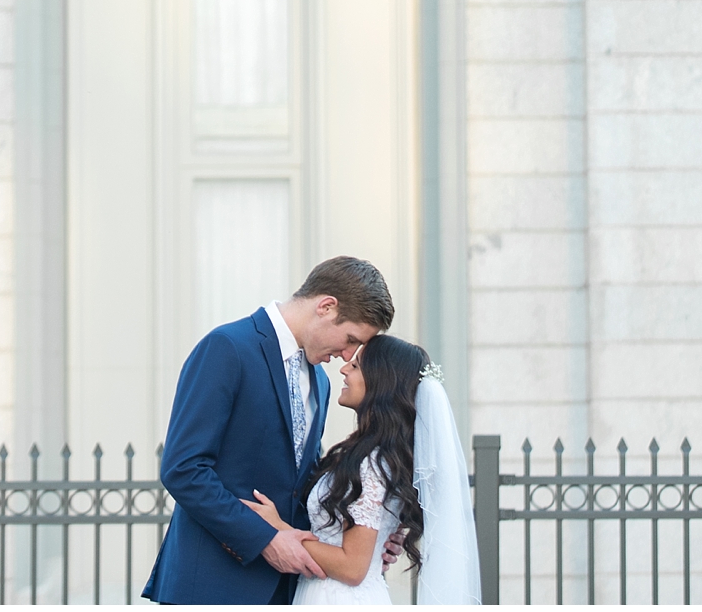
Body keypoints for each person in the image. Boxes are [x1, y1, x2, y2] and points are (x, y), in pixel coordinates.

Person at [140, 257, 393, 605]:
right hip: (213, 586)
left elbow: (299, 486)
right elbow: (182, 469)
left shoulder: (319, 381)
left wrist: (364, 536)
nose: (348, 354)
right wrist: (264, 539)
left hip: (286, 590)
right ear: (326, 306)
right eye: (350, 338)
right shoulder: (228, 347)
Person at [235, 335, 481, 606]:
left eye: (356, 365)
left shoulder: (373, 464)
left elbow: (352, 567)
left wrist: (279, 529)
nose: (344, 368)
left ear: (381, 382)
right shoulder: (376, 456)